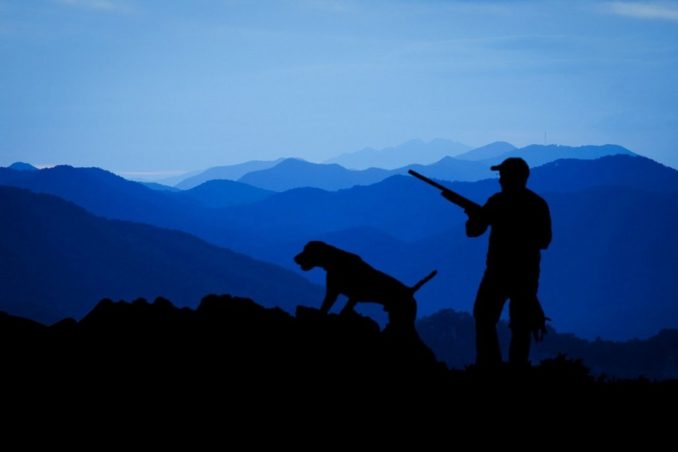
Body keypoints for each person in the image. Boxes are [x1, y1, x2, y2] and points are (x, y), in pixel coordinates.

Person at [448, 157, 551, 368]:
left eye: (504, 175)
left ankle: (490, 365)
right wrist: (474, 215)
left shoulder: (499, 202)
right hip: (521, 273)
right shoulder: (535, 203)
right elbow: (544, 240)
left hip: (503, 273)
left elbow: (474, 231)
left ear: (515, 177)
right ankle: (511, 367)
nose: (500, 179)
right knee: (510, 322)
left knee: (490, 317)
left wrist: (484, 219)